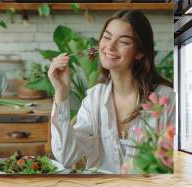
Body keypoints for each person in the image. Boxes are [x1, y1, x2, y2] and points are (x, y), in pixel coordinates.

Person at [48, 10, 175, 174]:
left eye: (123, 41)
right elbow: (66, 156)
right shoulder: (94, 98)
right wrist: (61, 92)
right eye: (107, 37)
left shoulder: (166, 99)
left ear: (140, 52)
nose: (110, 46)